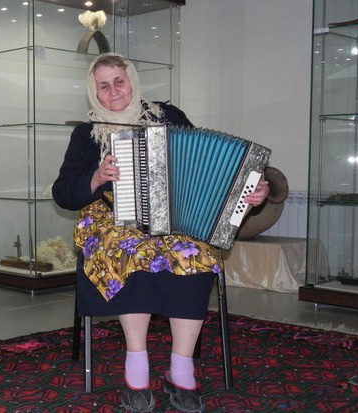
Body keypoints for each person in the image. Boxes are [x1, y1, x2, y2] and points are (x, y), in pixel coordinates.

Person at [52, 53, 269, 412]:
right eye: (103, 85)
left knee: (196, 254)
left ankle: (181, 372)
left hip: (173, 220)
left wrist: (251, 192)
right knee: (130, 251)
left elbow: (207, 169)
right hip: (111, 220)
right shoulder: (86, 134)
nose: (113, 91)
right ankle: (136, 371)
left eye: (119, 81)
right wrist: (96, 177)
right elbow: (63, 192)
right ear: (94, 91)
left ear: (132, 81)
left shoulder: (168, 116)